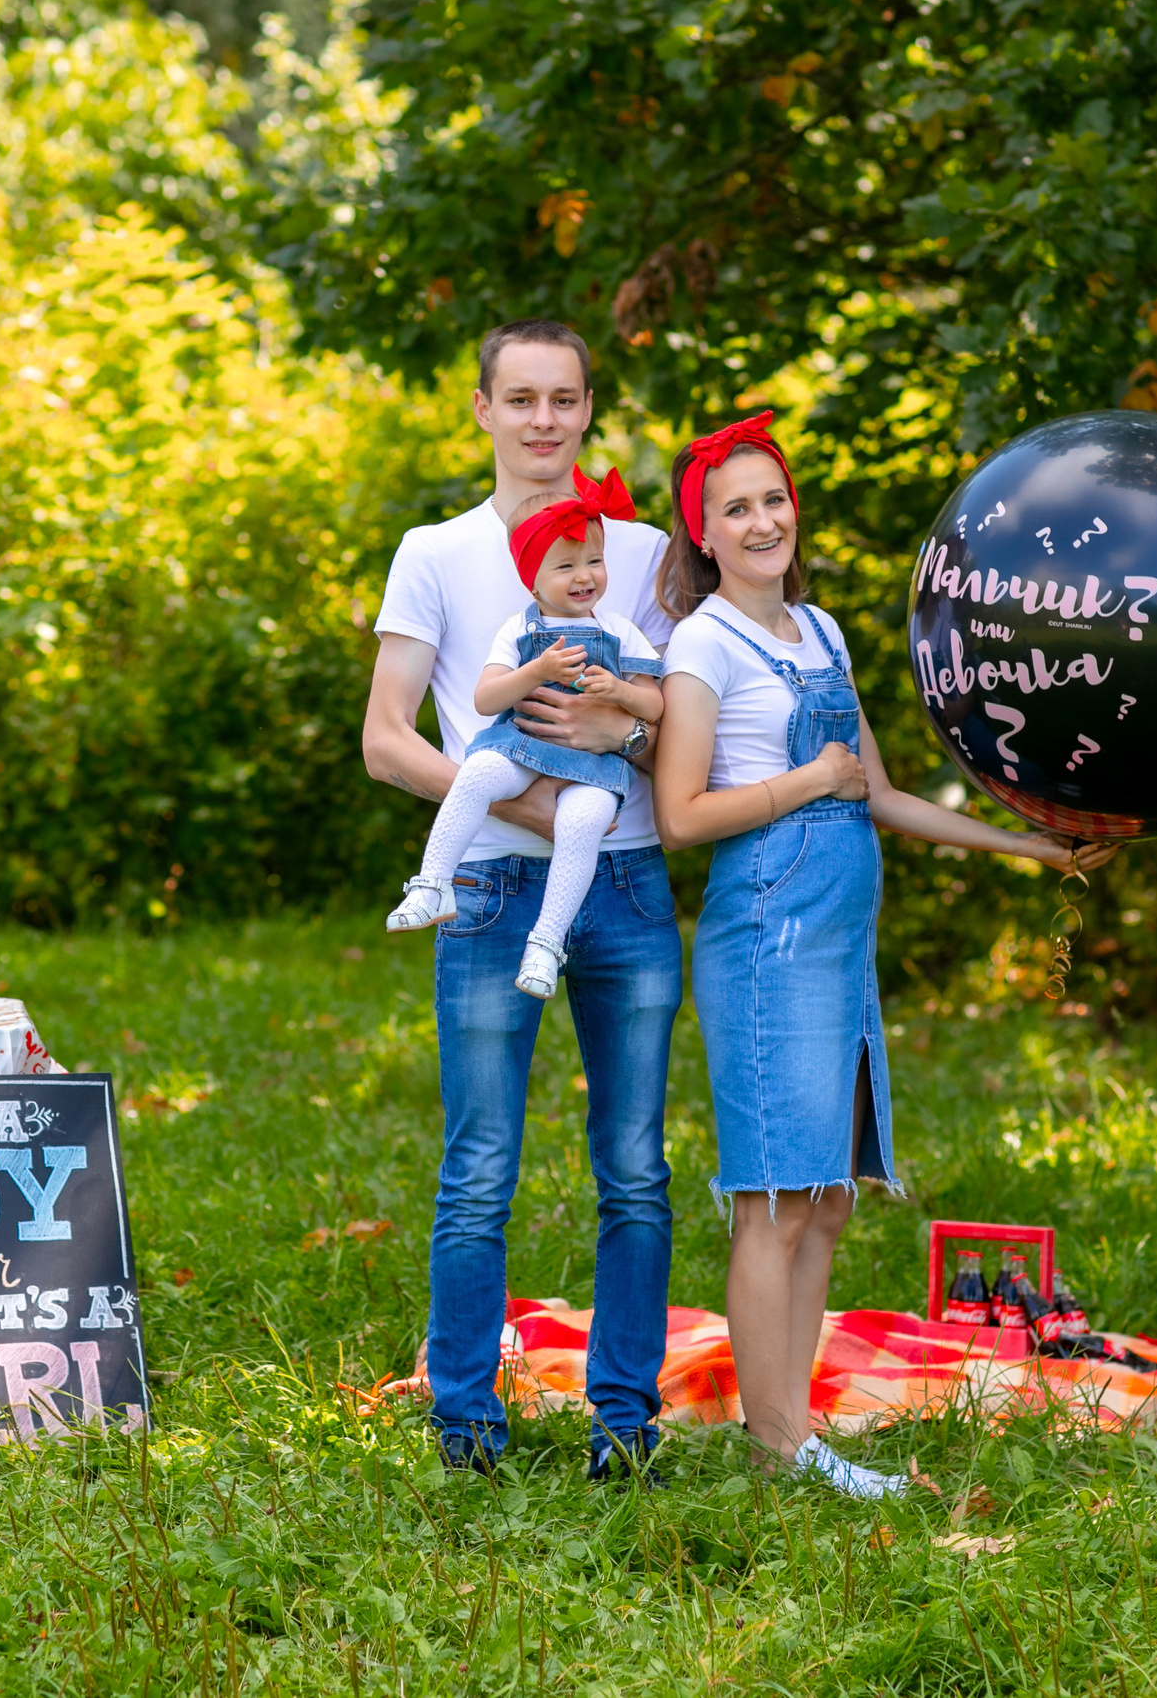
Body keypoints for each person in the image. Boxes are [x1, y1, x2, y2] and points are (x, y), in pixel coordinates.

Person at [650, 412, 1116, 1496]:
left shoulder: (818, 630)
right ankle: (776, 1450)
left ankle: (791, 1429)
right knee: (775, 1195)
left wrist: (1032, 842)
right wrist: (807, 783)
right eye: (736, 508)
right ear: (704, 535)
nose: (762, 520)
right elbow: (681, 813)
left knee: (827, 1197)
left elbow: (887, 794)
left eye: (773, 499)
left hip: (837, 947)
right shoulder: (703, 645)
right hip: (766, 943)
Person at [363, 319, 682, 1481]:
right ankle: (464, 1428)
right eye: (522, 399)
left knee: (635, 1169)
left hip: (632, 889)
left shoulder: (643, 555)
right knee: (479, 1166)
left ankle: (624, 1425)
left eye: (566, 399)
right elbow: (388, 742)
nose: (544, 420)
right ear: (484, 410)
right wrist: (536, 815)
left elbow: (693, 726)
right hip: (495, 889)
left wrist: (630, 723)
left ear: (589, 409)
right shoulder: (435, 552)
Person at [386, 470, 665, 1000]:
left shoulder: (619, 631)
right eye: (565, 566)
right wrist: (535, 671)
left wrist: (620, 691)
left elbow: (655, 704)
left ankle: (546, 940)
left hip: (593, 766)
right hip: (523, 747)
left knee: (583, 821)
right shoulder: (519, 629)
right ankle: (433, 884)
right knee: (479, 772)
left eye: (595, 562)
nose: (585, 576)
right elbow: (486, 699)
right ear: (531, 579)